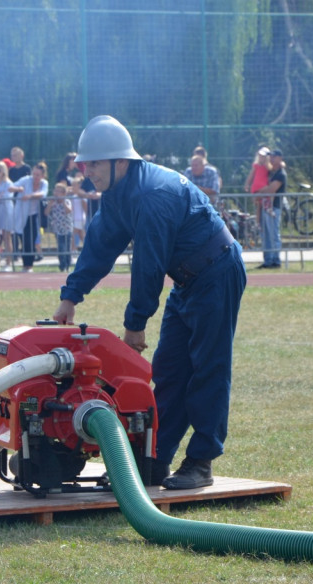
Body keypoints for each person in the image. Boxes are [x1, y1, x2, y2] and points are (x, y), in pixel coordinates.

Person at [53, 115, 246, 490]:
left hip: (216, 272)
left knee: (208, 367)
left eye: (93, 163)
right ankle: (153, 461)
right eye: (83, 164)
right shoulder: (118, 194)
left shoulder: (152, 196)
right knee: (170, 371)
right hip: (188, 279)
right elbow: (100, 245)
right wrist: (70, 297)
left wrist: (135, 323)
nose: (86, 171)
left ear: (120, 161)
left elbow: (149, 263)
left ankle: (201, 461)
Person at [253, 149, 286, 269]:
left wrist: (258, 193)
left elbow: (271, 189)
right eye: (270, 156)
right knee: (265, 235)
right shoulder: (271, 172)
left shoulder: (280, 174)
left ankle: (275, 260)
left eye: (274, 157)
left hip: (274, 208)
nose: (271, 159)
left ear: (280, 158)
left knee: (273, 234)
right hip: (265, 206)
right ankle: (267, 260)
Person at [12, 161, 48, 272]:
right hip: (22, 214)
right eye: (34, 174)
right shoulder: (25, 180)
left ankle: (30, 265)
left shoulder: (44, 183)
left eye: (38, 175)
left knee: (31, 240)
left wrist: (30, 196)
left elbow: (43, 194)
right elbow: (11, 187)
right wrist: (18, 189)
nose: (35, 177)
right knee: (24, 240)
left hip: (34, 215)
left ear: (42, 175)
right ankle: (24, 265)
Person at [44, 181, 74, 272]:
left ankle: (67, 264)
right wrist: (49, 204)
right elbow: (46, 213)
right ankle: (62, 265)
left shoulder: (67, 201)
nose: (56, 193)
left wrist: (64, 201)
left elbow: (69, 210)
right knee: (61, 247)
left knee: (67, 247)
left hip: (67, 228)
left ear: (64, 193)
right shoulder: (53, 203)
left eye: (59, 192)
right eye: (55, 191)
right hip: (57, 228)